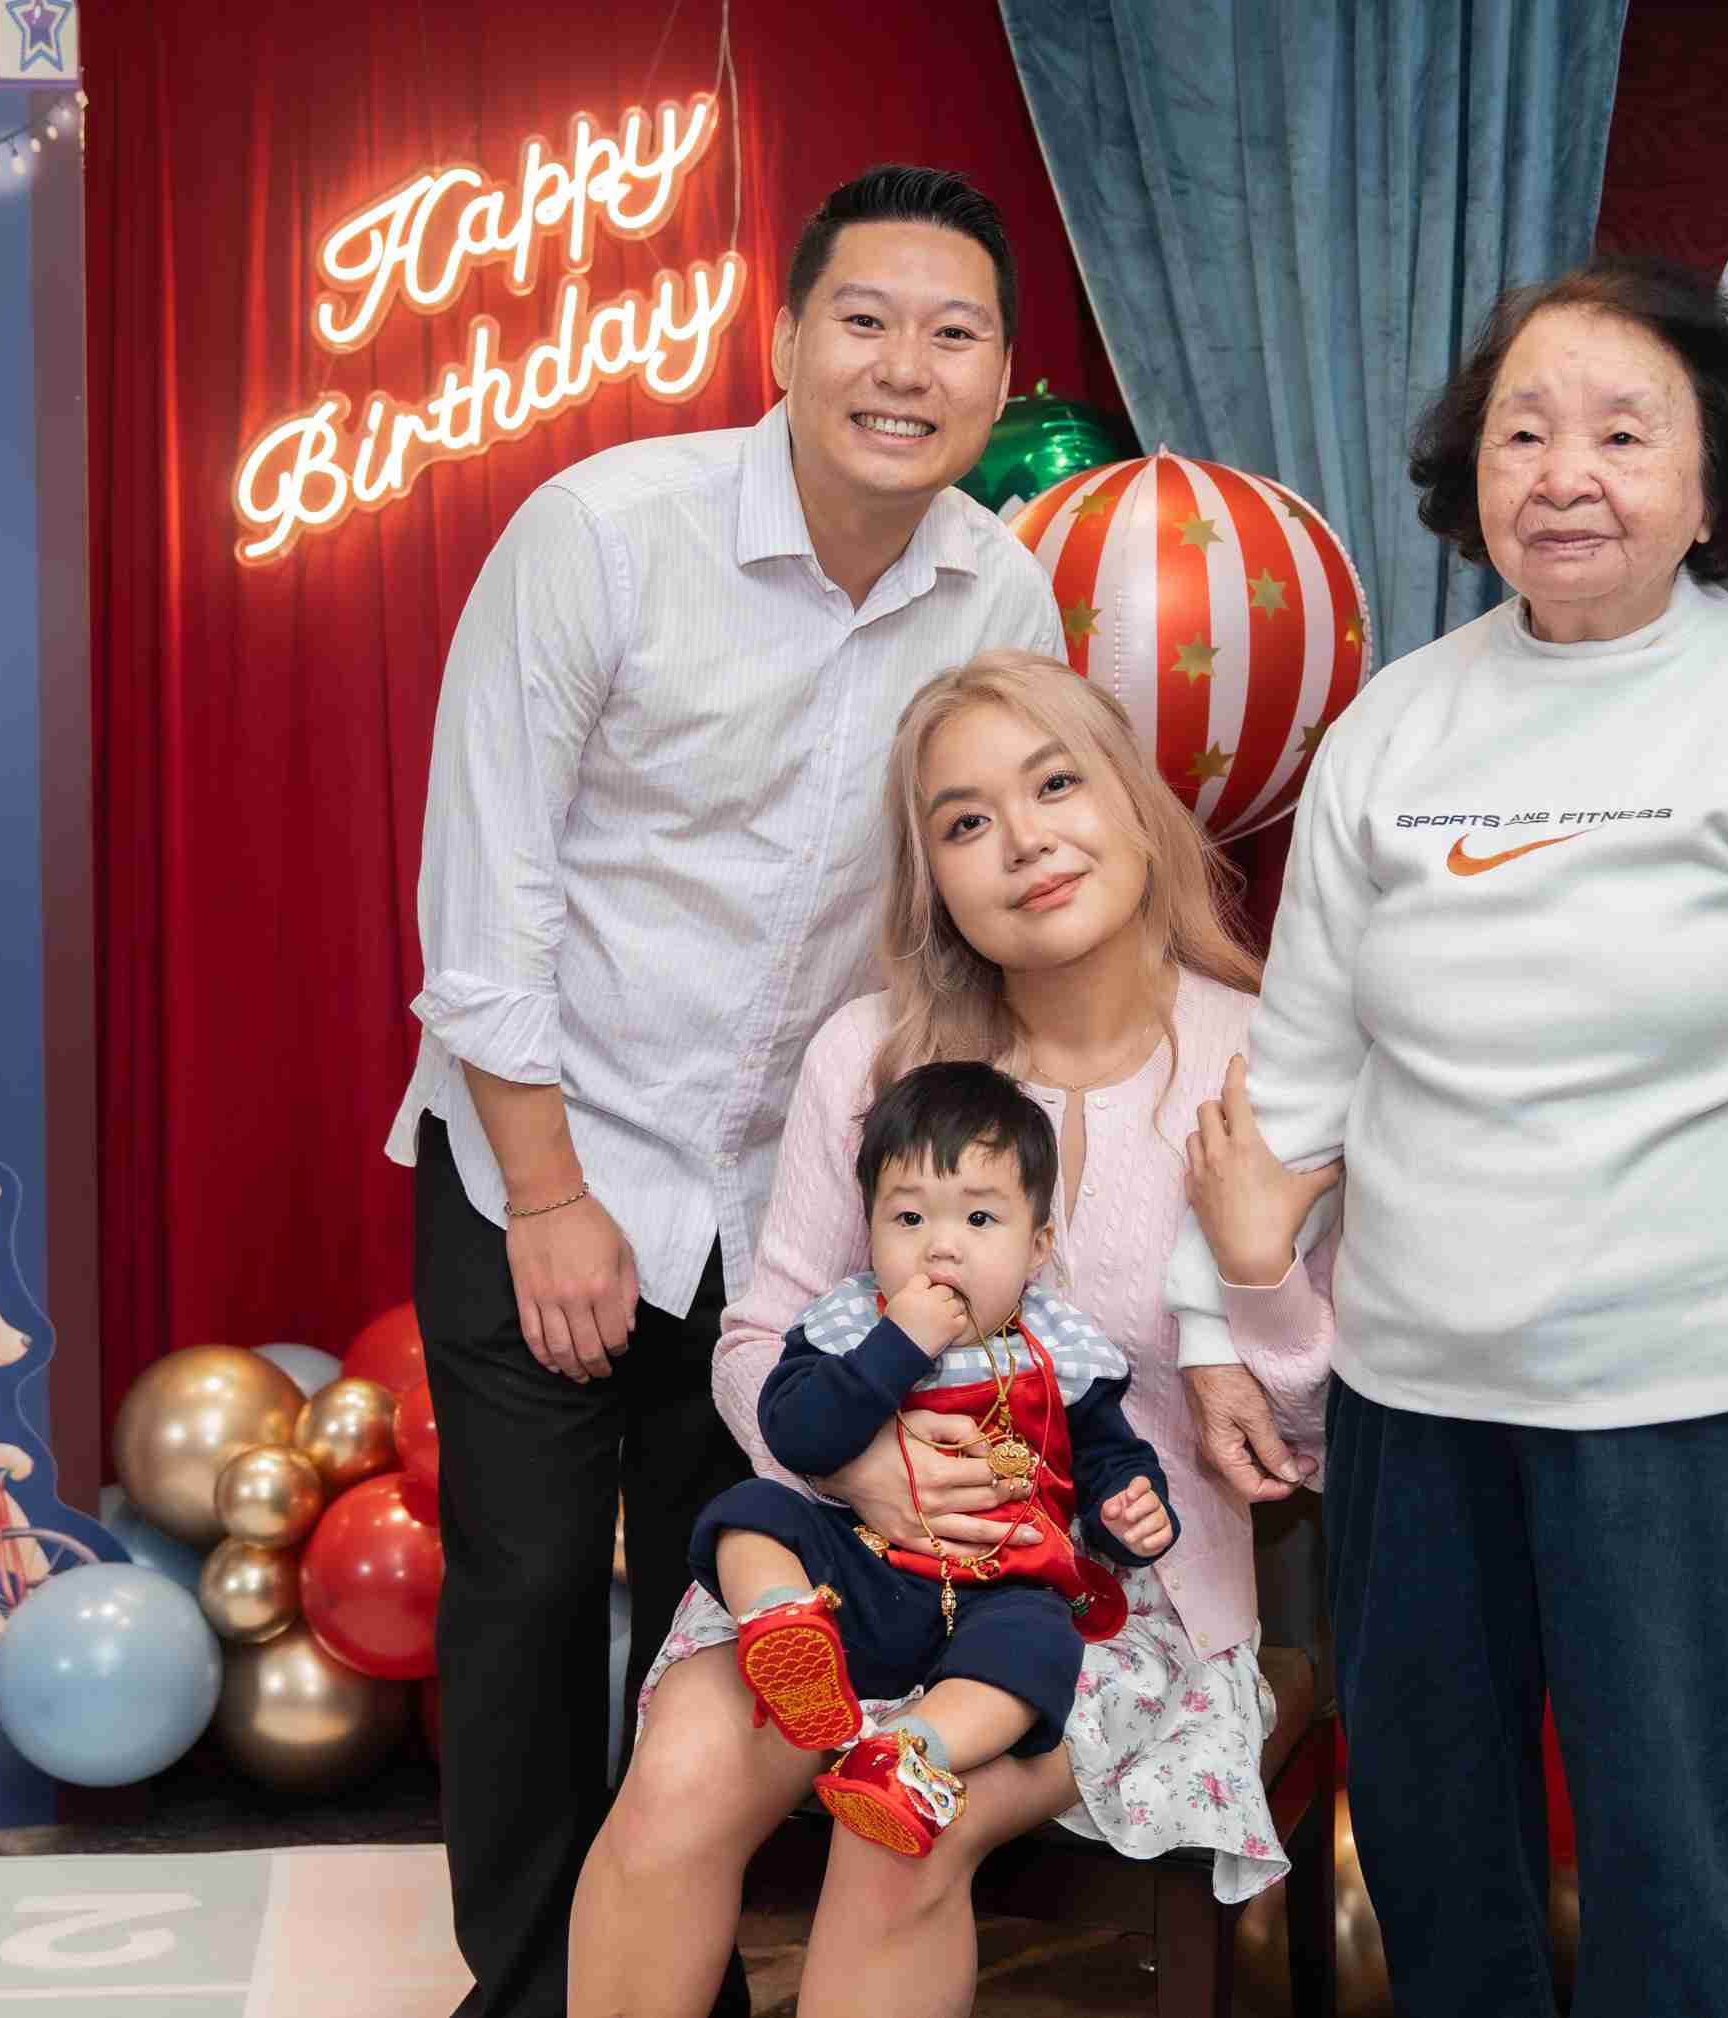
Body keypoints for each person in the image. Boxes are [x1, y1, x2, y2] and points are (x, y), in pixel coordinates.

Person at [1165, 253, 1728, 2018]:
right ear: (1470, 469)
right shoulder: (1396, 725)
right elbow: (1296, 1067)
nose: (1564, 474)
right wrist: (1205, 1315)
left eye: (1623, 433)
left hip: (1694, 1411)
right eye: (1522, 430)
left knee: (1681, 1871)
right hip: (1415, 1407)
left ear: (1711, 481)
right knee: (1433, 1858)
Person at [389, 165, 1065, 2018]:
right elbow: (487, 899)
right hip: (547, 1138)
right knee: (532, 1586)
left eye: (952, 335)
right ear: (781, 339)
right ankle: (533, 1992)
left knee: (732, 1602)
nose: (903, 368)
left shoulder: (999, 587)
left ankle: (664, 1975)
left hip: (786, 1196)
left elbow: (985, 897)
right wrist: (548, 1196)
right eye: (865, 321)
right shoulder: (603, 535)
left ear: (999, 378)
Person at [570, 650, 1341, 2018]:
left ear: (1135, 802)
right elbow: (758, 1337)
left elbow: (1309, 1440)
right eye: (966, 819)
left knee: (901, 1823)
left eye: (1056, 784)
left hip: (1110, 1604)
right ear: (931, 876)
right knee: (678, 1775)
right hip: (849, 1558)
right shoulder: (870, 1059)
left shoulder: (1269, 1064)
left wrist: (1254, 1267)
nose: (1024, 840)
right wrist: (862, 1467)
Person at [693, 1060, 1176, 1857]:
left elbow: (1107, 1459)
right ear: (870, 1229)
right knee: (747, 1513)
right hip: (854, 1577)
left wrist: (1131, 1507)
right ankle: (783, 1628)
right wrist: (897, 1346)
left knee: (1039, 1648)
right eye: (909, 1218)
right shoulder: (850, 1326)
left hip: (999, 1587)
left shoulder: (1061, 1348)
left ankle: (909, 1752)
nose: (941, 1247)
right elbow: (796, 1437)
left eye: (979, 1220)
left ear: (1036, 1246)